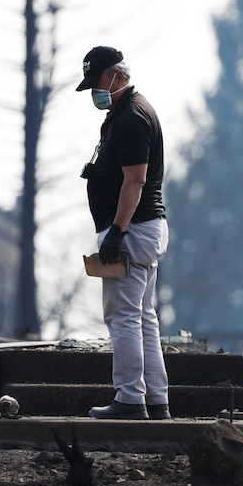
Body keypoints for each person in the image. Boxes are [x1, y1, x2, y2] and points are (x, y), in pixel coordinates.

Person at [76, 46, 170, 420]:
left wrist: (117, 231)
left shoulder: (131, 116)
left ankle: (131, 398)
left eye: (97, 82)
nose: (95, 92)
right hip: (142, 228)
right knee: (143, 315)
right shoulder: (127, 112)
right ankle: (157, 399)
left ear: (116, 76)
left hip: (132, 229)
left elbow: (135, 180)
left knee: (123, 316)